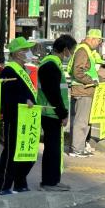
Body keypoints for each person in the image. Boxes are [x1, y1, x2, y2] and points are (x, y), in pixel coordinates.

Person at [0, 37, 38, 196]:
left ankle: (20, 182)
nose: (28, 53)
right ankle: (3, 186)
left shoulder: (24, 70)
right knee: (11, 152)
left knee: (26, 151)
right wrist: (23, 100)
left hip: (27, 117)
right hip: (13, 117)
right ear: (16, 53)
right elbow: (4, 95)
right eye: (25, 50)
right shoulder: (9, 70)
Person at [37, 35, 76, 191]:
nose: (71, 53)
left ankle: (53, 180)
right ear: (65, 49)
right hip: (50, 113)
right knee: (51, 149)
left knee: (54, 148)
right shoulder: (50, 65)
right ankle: (48, 182)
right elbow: (53, 93)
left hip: (51, 113)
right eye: (71, 50)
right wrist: (63, 114)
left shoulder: (53, 63)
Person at [68, 29, 102, 157]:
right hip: (83, 90)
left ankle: (79, 147)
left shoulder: (85, 50)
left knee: (83, 121)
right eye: (98, 41)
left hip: (84, 90)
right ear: (92, 39)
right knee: (81, 121)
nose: (98, 44)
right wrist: (91, 81)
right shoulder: (83, 51)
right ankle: (77, 149)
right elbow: (78, 72)